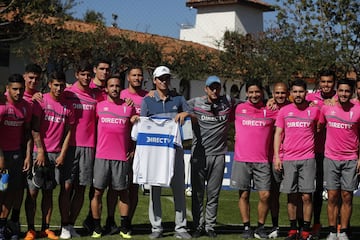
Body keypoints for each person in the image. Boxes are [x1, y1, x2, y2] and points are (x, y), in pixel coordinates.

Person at [137, 66, 191, 239]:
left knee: (178, 189)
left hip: (176, 150)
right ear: (154, 80)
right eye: (161, 78)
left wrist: (185, 113)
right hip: (155, 153)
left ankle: (181, 227)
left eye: (167, 78)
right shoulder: (147, 101)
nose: (164, 81)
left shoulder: (179, 99)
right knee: (155, 189)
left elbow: (192, 115)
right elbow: (142, 124)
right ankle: (156, 227)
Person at [24, 71, 75, 240]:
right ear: (50, 85)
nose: (59, 88)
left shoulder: (68, 106)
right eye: (55, 85)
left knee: (48, 193)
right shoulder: (41, 101)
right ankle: (31, 229)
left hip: (56, 155)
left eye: (61, 85)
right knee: (32, 192)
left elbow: (68, 132)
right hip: (39, 154)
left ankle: (45, 229)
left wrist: (62, 154)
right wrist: (39, 151)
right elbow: (34, 128)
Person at [187, 76, 235, 238]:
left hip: (219, 156)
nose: (214, 91)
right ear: (205, 89)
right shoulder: (194, 102)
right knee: (198, 194)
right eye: (211, 88)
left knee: (214, 194)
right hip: (198, 156)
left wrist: (269, 101)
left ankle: (210, 226)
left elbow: (249, 102)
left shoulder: (228, 101)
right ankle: (198, 226)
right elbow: (176, 104)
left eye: (217, 88)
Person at [90, 74, 137, 239]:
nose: (115, 89)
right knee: (97, 192)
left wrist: (132, 149)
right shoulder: (99, 106)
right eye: (112, 86)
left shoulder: (129, 108)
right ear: (106, 88)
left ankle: (124, 227)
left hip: (121, 158)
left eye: (117, 86)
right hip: (101, 157)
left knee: (122, 192)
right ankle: (97, 227)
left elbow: (135, 131)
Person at [59, 61, 101, 238]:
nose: (85, 78)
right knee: (67, 187)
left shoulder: (95, 96)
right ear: (76, 74)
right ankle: (63, 225)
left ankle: (71, 225)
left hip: (88, 147)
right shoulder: (67, 92)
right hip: (69, 147)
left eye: (88, 75)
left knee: (81, 188)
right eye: (82, 74)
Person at [230, 79, 276, 239]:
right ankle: (247, 227)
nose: (254, 95)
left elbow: (288, 109)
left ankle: (260, 227)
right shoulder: (238, 108)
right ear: (247, 93)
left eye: (257, 92)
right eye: (251, 92)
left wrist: (273, 100)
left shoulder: (270, 110)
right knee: (243, 195)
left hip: (263, 161)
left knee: (265, 195)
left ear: (262, 92)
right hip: (242, 159)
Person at [274, 79, 320, 240]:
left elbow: (320, 127)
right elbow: (278, 134)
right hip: (288, 159)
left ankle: (306, 230)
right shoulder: (284, 111)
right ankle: (293, 229)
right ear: (291, 93)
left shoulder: (314, 111)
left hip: (308, 158)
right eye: (295, 92)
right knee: (291, 196)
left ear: (306, 93)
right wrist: (277, 156)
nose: (298, 94)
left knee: (307, 196)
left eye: (301, 91)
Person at [318, 79, 360, 240]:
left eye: (347, 91)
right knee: (332, 196)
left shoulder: (358, 110)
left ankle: (343, 231)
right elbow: (319, 127)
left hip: (350, 159)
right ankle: (332, 231)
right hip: (331, 159)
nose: (344, 94)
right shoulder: (327, 107)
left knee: (347, 196)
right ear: (337, 91)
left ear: (352, 93)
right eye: (341, 91)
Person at [0, 74, 32, 240]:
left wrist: (27, 156)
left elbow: (27, 133)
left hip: (17, 156)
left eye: (21, 89)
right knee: (1, 192)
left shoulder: (26, 107)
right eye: (15, 89)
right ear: (7, 89)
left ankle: (3, 226)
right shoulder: (2, 106)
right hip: (2, 156)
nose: (18, 92)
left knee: (12, 191)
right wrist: (1, 157)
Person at [306, 69, 337, 238]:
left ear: (334, 83)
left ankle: (339, 228)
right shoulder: (310, 98)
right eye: (323, 81)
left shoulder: (340, 98)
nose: (326, 85)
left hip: (335, 152)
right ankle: (315, 224)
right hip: (314, 150)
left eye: (329, 82)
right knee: (315, 191)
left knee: (336, 192)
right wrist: (272, 100)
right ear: (319, 82)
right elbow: (290, 102)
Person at [82, 58, 110, 233]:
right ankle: (67, 222)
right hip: (84, 144)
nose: (105, 72)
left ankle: (91, 219)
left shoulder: (111, 91)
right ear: (94, 70)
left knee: (98, 187)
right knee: (76, 186)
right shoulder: (87, 88)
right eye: (101, 69)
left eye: (107, 69)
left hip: (103, 146)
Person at [268, 82, 290, 239]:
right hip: (273, 157)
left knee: (294, 195)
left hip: (291, 157)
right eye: (277, 93)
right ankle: (275, 226)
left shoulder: (296, 107)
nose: (280, 96)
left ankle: (294, 227)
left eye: (283, 93)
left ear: (287, 93)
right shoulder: (269, 108)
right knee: (273, 195)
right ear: (273, 94)